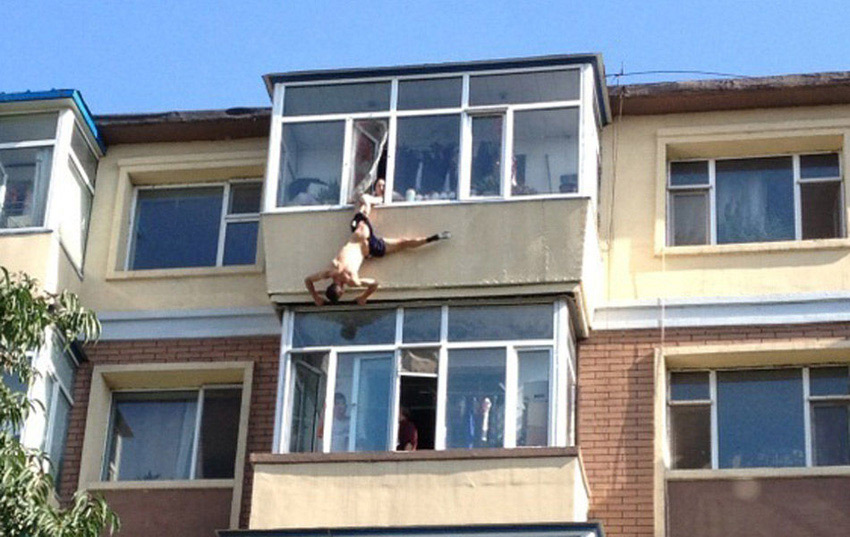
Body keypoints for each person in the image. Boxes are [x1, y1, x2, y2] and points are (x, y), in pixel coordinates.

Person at [304, 178, 451, 306]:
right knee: (363, 204)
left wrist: (363, 297)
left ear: (341, 290)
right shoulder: (331, 270)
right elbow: (308, 280)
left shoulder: (353, 281)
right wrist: (316, 296)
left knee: (402, 243)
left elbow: (374, 284)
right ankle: (378, 196)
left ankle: (432, 238)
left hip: (369, 246)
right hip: (362, 237)